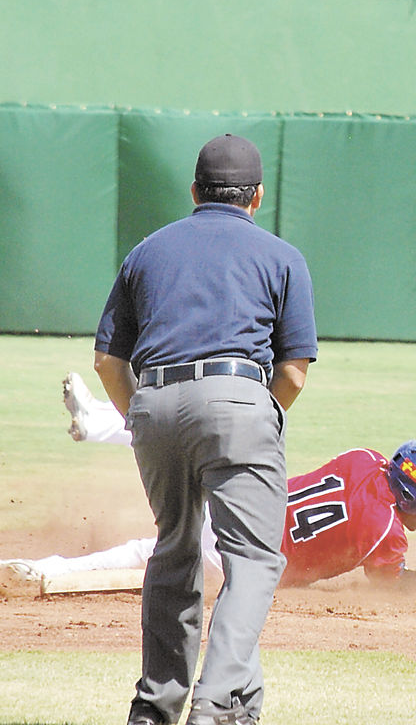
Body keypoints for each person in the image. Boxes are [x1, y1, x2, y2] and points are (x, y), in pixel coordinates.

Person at [93, 134, 318, 725]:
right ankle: (218, 705)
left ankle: (155, 707)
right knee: (253, 560)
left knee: (174, 549)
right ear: (258, 196)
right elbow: (293, 374)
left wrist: (138, 419)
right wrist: (252, 417)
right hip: (241, 397)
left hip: (155, 401)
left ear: (194, 192)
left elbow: (107, 363)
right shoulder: (281, 255)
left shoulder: (146, 252)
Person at [0, 440, 416, 589]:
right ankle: (45, 575)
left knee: (152, 556)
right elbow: (390, 591)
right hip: (243, 559)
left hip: (234, 507)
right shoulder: (387, 532)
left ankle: (45, 569)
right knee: (149, 571)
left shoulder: (363, 459)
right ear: (414, 496)